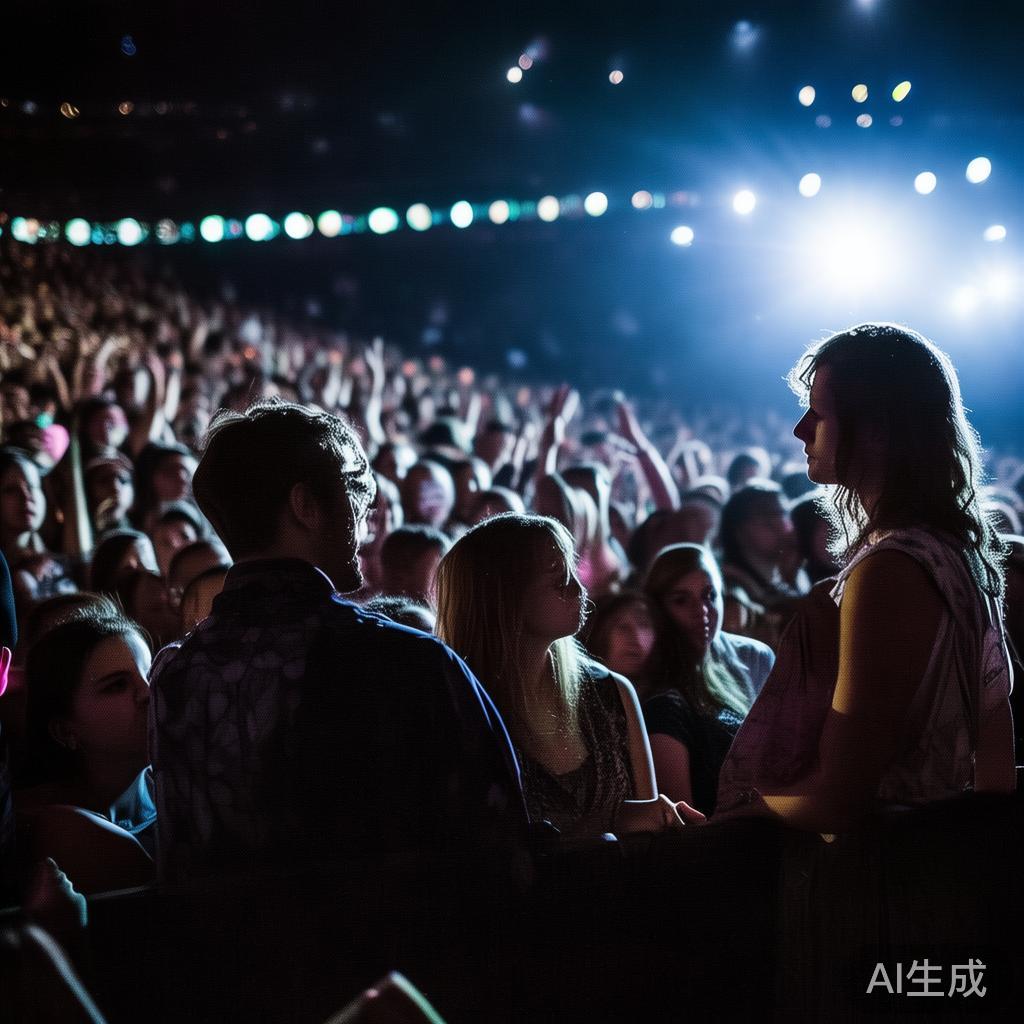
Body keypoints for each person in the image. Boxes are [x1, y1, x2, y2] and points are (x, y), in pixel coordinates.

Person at [149, 400, 526, 884]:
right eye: (354, 485)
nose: (367, 507)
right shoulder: (404, 661)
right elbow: (499, 852)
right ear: (305, 506)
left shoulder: (176, 674)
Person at [716, 324, 1016, 831]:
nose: (800, 430)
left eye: (820, 413)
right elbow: (996, 767)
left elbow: (838, 798)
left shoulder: (890, 573)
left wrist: (740, 813)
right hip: (945, 873)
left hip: (883, 886)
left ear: (876, 428)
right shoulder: (952, 554)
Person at [435, 513, 689, 839]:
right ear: (504, 596)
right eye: (557, 577)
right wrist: (613, 822)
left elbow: (648, 835)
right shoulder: (458, 707)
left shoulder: (610, 693)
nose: (577, 585)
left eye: (571, 568)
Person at [17, 609, 155, 894]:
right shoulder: (61, 832)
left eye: (152, 673)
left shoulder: (191, 782)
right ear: (66, 731)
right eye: (117, 685)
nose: (149, 692)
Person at [641, 544, 773, 815]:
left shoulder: (753, 656)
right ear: (658, 607)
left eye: (710, 595)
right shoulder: (659, 690)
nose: (702, 610)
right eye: (681, 600)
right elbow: (683, 816)